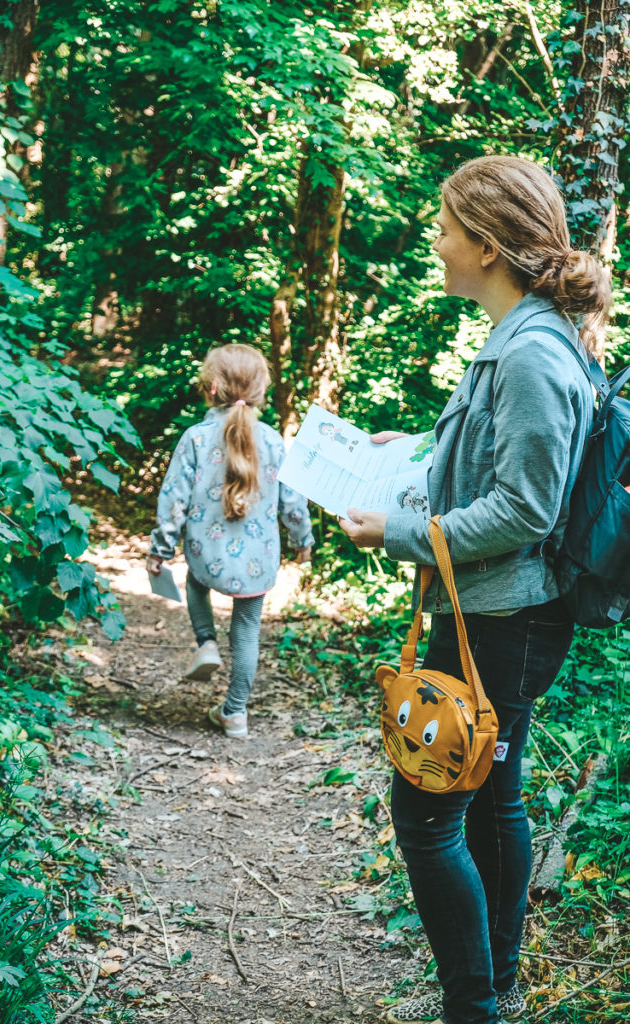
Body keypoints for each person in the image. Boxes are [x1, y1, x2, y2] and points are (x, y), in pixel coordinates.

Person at [340, 155, 610, 1024]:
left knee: (425, 817)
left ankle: (472, 1005)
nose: (437, 239)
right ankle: (488, 986)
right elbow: (502, 456)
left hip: (505, 620)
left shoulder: (531, 353)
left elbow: (524, 508)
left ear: (487, 247)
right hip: (494, 613)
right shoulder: (522, 339)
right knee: (495, 798)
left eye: (447, 227)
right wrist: (412, 449)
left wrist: (402, 530)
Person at [147, 344, 313, 739]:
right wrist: (302, 541)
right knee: (247, 628)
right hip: (258, 559)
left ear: (212, 387)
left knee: (195, 581)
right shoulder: (273, 441)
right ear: (260, 392)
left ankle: (205, 643)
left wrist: (161, 548)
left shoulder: (195, 437)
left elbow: (173, 500)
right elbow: (293, 501)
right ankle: (235, 713)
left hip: (206, 553)